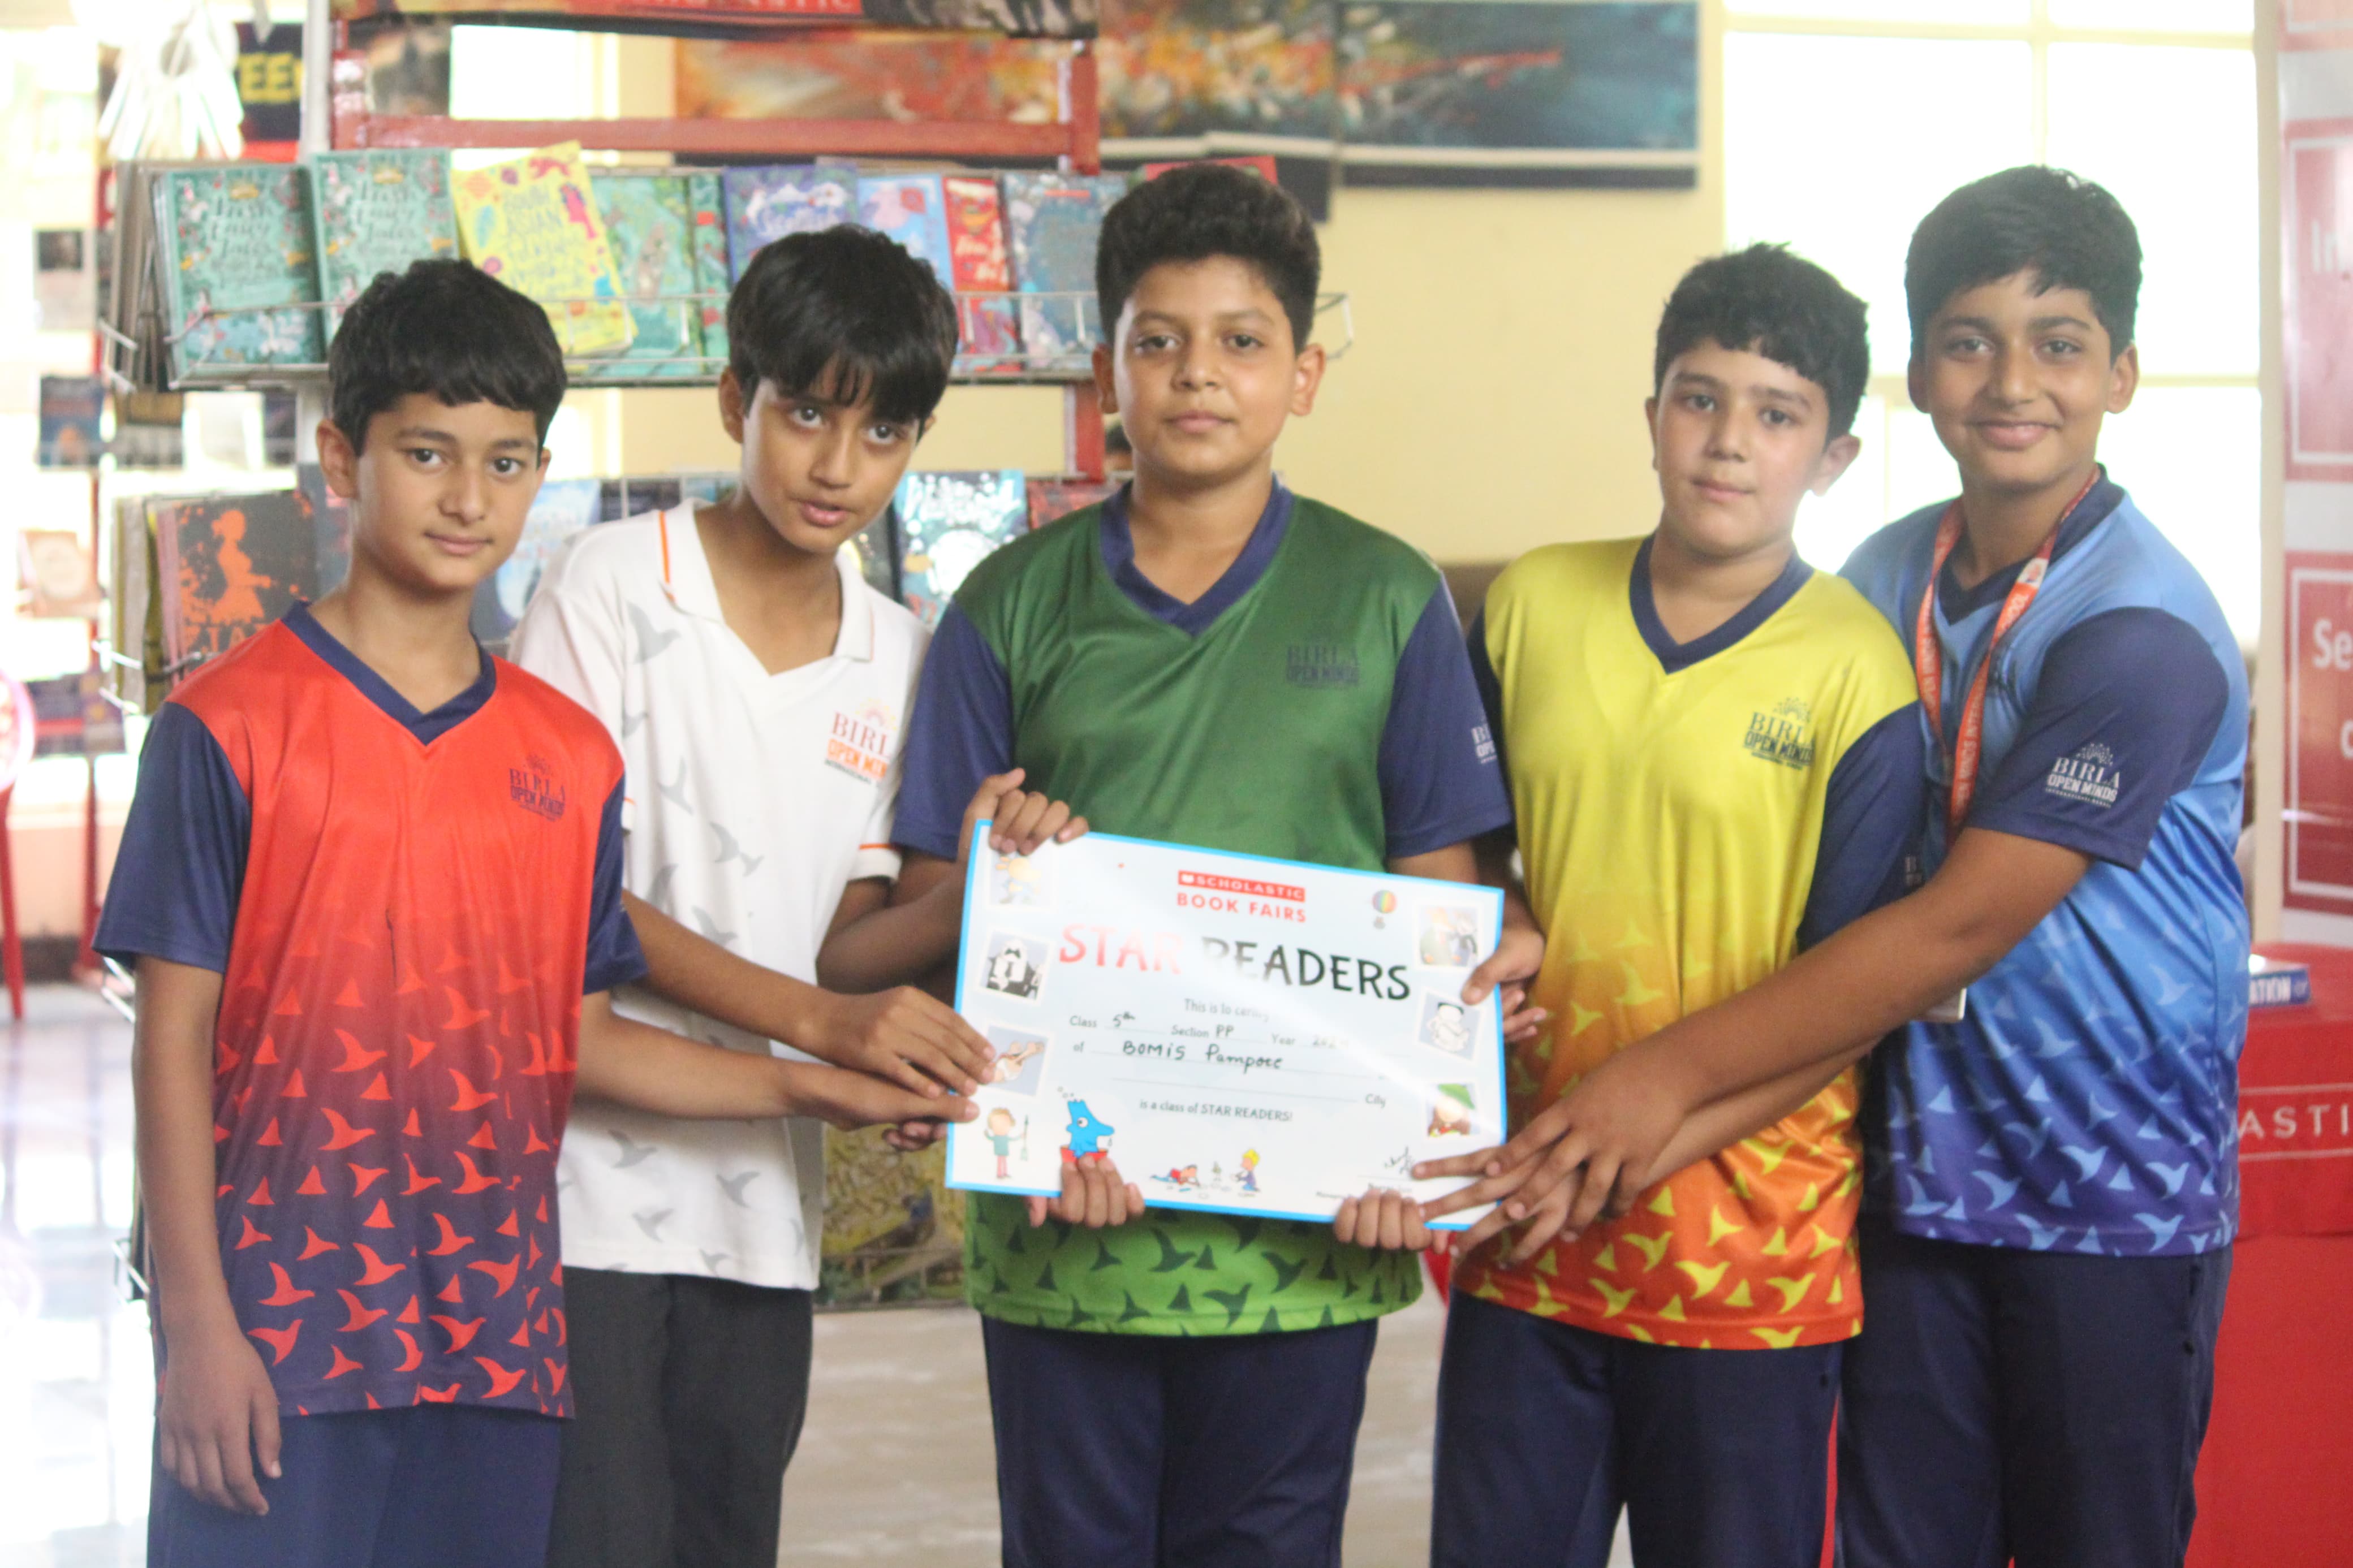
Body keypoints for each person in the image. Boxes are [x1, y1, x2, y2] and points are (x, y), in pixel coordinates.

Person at [1429, 167, 2246, 1568]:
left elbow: (1951, 929)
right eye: (1969, 340)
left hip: (2105, 1197)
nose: (2012, 381)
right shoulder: (1880, 577)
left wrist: (1653, 1087)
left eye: (2058, 344)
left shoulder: (2141, 628)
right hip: (1912, 1177)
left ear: (2120, 374)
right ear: (1919, 374)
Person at [98, 259, 972, 1568]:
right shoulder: (224, 728)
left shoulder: (564, 759)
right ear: (341, 458)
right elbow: (170, 1043)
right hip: (284, 1341)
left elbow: (582, 1035)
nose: (467, 498)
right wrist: (196, 1327)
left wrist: (830, 1083)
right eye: (427, 454)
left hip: (500, 1350)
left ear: (540, 475)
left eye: (505, 464)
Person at [884, 162, 1533, 1568]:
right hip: (1065, 1219)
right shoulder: (1009, 601)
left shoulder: (1386, 596)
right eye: (1158, 339)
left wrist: (1401, 1144)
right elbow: (938, 913)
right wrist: (1027, 1109)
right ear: (1106, 369)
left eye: (1241, 340)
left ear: (1303, 374)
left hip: (1307, 1238)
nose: (1196, 373)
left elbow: (1437, 910)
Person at [506, 224, 1072, 1568]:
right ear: (734, 400)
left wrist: (975, 891)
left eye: (882, 433)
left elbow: (845, 954)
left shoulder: (901, 654)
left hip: (765, 1209)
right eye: (806, 413)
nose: (836, 465)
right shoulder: (607, 584)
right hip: (578, 1188)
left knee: (726, 1538)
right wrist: (824, 1032)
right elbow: (564, 898)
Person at [1429, 244, 1921, 1568]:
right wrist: (1499, 911)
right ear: (1652, 413)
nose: (1728, 441)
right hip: (1525, 1228)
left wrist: (1635, 1141)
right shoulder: (1529, 603)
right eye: (1700, 399)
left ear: (1833, 456)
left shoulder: (1859, 673)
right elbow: (1451, 862)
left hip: (1750, 1259)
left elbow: (1849, 1003)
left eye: (1778, 414)